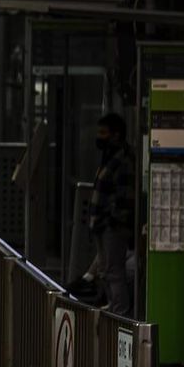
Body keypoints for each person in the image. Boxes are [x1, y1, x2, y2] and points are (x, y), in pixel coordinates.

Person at [75, 112, 135, 316]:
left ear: (116, 135)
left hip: (112, 227)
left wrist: (111, 220)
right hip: (103, 225)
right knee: (105, 271)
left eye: (104, 133)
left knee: (113, 271)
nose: (99, 137)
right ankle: (113, 307)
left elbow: (123, 196)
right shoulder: (110, 158)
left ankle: (120, 312)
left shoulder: (122, 160)